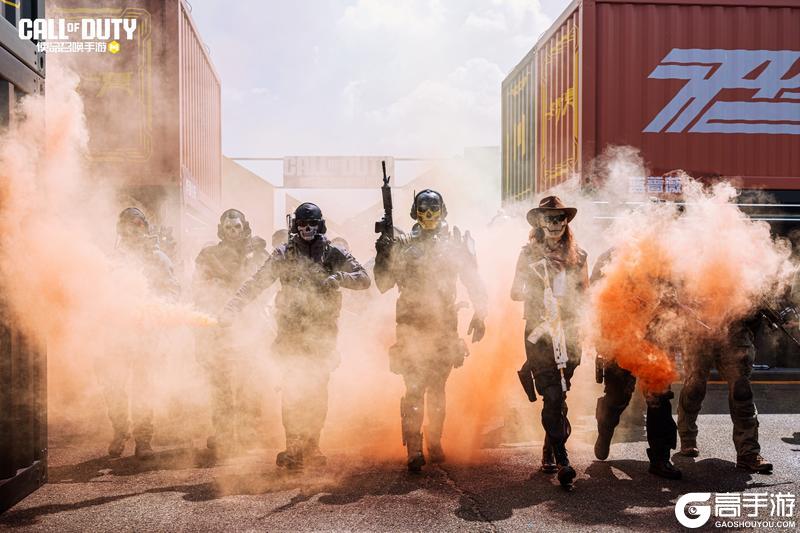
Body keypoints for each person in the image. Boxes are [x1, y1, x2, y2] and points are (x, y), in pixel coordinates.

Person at [221, 202, 370, 469]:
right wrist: (232, 308)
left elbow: (364, 278)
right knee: (291, 391)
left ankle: (312, 445)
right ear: (295, 226)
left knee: (316, 392)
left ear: (320, 225)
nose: (307, 229)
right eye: (302, 224)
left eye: (312, 224)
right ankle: (293, 447)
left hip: (322, 335)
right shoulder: (283, 254)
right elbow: (256, 283)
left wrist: (339, 278)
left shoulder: (333, 251)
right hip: (290, 334)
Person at [374, 189, 487, 472]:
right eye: (423, 210)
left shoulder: (454, 245)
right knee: (414, 388)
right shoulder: (402, 244)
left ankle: (434, 441)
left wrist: (480, 312)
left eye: (433, 209)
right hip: (411, 324)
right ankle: (413, 447)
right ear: (415, 212)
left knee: (437, 388)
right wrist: (382, 252)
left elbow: (473, 280)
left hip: (444, 325)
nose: (428, 215)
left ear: (442, 211)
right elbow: (383, 282)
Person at [511, 196, 587, 490]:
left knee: (561, 396)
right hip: (539, 334)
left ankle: (550, 449)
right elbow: (514, 293)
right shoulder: (527, 255)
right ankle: (564, 461)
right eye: (549, 219)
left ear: (567, 222)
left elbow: (585, 295)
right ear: (539, 223)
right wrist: (536, 281)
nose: (555, 224)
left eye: (560, 219)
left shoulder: (579, 256)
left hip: (569, 334)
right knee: (552, 395)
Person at [592, 248, 682, 480]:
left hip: (656, 337)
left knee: (659, 397)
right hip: (621, 338)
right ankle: (605, 429)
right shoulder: (613, 256)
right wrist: (603, 343)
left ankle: (660, 458)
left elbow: (681, 298)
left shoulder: (670, 259)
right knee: (617, 397)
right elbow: (596, 300)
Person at [99, 207, 180, 459]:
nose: (133, 231)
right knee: (113, 386)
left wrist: (153, 307)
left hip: (147, 334)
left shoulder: (159, 259)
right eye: (128, 226)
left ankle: (143, 439)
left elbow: (173, 292)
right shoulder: (112, 260)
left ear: (145, 228)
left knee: (144, 387)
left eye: (138, 225)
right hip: (117, 334)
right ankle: (120, 430)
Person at [193, 209, 269, 457]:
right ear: (222, 230)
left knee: (250, 383)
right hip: (220, 329)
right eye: (229, 228)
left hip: (250, 326)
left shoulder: (258, 254)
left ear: (244, 227)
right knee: (221, 385)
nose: (234, 232)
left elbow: (269, 287)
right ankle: (223, 432)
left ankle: (248, 432)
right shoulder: (209, 255)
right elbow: (198, 289)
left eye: (237, 227)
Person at [677, 315, 773, 473]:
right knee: (695, 387)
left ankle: (748, 453)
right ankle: (687, 437)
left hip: (735, 331)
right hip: (697, 328)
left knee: (741, 391)